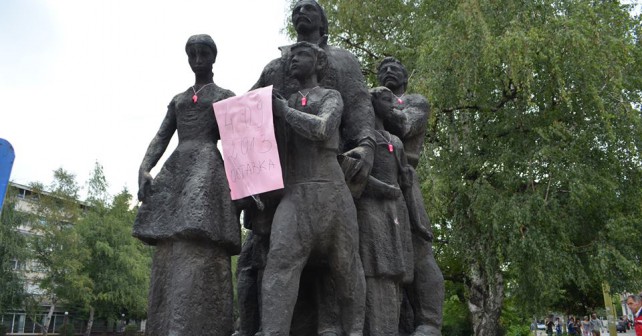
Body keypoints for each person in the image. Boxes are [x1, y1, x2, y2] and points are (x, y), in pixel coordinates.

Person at [236, 1, 376, 335]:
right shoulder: (275, 69)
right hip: (288, 182)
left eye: (310, 6)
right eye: (296, 7)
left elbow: (358, 107)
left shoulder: (343, 62)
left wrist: (367, 146)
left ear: (323, 22)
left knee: (344, 267)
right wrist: (247, 185)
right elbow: (243, 118)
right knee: (270, 263)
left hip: (334, 177)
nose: (301, 10)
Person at [133, 34, 240, 335]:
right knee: (170, 238)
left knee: (199, 228)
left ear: (213, 57)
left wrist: (245, 188)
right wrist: (144, 167)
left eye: (203, 53)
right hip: (177, 166)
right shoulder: (179, 100)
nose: (197, 59)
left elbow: (238, 145)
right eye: (192, 53)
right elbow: (161, 136)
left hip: (207, 165)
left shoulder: (224, 96)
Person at [257, 41, 366, 336]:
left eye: (300, 55)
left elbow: (321, 129)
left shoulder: (331, 96)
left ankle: (355, 331)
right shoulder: (285, 101)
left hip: (332, 193)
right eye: (290, 56)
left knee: (346, 269)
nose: (292, 60)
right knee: (279, 266)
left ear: (319, 63)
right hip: (294, 195)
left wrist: (281, 110)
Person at [370, 56, 444, 336]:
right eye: (382, 69)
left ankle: (429, 321)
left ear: (405, 77)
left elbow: (404, 126)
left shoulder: (415, 102)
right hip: (373, 175)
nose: (388, 71)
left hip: (405, 177)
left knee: (419, 247)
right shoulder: (371, 101)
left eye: (395, 68)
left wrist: (378, 105)